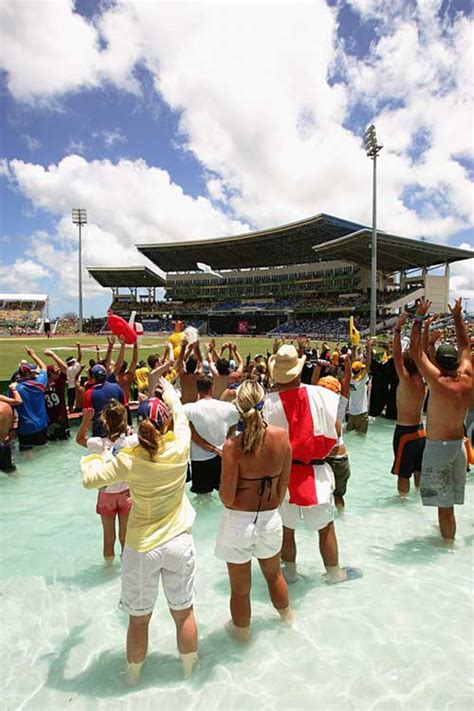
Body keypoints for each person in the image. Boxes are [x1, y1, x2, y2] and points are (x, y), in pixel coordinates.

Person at [81, 378, 198, 684]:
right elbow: (182, 417)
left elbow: (90, 480)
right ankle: (189, 674)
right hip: (179, 541)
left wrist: (97, 456)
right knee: (183, 613)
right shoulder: (179, 446)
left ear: (139, 423)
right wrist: (171, 393)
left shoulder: (129, 460)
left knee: (139, 619)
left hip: (142, 547)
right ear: (166, 423)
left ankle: (133, 679)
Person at [264, 345, 361, 584]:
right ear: (298, 371)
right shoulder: (323, 395)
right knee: (325, 528)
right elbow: (337, 431)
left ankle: (290, 574)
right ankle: (334, 573)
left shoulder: (268, 403)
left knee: (287, 530)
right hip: (316, 472)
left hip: (283, 474)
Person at [217, 380, 292, 640]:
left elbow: (226, 498)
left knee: (240, 590)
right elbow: (283, 485)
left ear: (238, 407)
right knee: (274, 575)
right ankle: (287, 622)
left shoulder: (231, 447)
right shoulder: (282, 437)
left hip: (239, 521)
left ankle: (243, 637)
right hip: (271, 517)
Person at [410, 297, 472, 540]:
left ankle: (447, 545)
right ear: (457, 362)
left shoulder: (437, 382)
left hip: (438, 448)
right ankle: (449, 538)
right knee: (450, 505)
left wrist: (419, 317)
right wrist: (457, 316)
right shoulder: (467, 375)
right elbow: (465, 345)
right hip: (460, 448)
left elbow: (415, 351)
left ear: (438, 363)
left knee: (444, 508)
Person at [77, 401, 134, 565]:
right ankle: (126, 568)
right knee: (125, 537)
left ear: (104, 422)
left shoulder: (97, 443)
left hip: (106, 495)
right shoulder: (130, 442)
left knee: (109, 538)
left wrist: (85, 420)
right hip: (126, 493)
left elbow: (80, 439)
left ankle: (108, 569)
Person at [183, 375, 240, 495]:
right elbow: (239, 420)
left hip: (200, 460)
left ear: (198, 390)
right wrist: (229, 435)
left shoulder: (189, 409)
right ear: (212, 388)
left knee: (203, 498)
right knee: (223, 493)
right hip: (222, 456)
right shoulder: (228, 408)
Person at [391, 312, 426, 495]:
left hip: (405, 432)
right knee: (419, 472)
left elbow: (396, 354)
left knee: (403, 476)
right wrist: (422, 326)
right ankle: (418, 506)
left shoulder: (405, 380)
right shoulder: (424, 379)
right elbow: (422, 352)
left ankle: (402, 507)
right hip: (421, 431)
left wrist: (397, 328)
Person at [317, 355, 351, 507]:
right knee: (338, 497)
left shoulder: (316, 405)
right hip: (341, 458)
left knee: (322, 500)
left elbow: (312, 385)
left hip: (323, 458)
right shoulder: (340, 404)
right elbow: (347, 382)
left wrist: (318, 367)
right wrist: (348, 363)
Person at [14, 348, 49, 451]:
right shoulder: (40, 382)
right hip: (42, 425)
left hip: (25, 428)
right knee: (42, 453)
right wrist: (32, 354)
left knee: (27, 456)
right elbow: (44, 367)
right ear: (27, 373)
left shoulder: (15, 388)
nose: (36, 373)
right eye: (34, 372)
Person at [83, 364, 125, 437]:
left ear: (93, 377)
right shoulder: (117, 387)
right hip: (118, 430)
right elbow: (124, 409)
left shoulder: (88, 393)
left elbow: (87, 417)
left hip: (99, 432)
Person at [347, 340, 372, 435]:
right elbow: (368, 364)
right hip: (361, 413)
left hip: (351, 413)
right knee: (361, 437)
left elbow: (352, 364)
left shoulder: (349, 378)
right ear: (360, 370)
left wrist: (353, 348)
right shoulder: (361, 380)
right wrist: (369, 347)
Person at [44, 349, 70, 441]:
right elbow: (65, 369)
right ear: (51, 374)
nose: (59, 374)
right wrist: (52, 355)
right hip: (60, 417)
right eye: (57, 372)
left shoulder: (41, 385)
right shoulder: (58, 383)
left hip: (49, 419)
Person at [111, 337, 138, 425]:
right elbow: (134, 360)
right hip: (126, 405)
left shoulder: (115, 378)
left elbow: (116, 364)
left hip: (116, 406)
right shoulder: (128, 377)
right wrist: (135, 345)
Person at [0, 385, 22, 473]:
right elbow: (18, 401)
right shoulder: (6, 406)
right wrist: (14, 389)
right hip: (5, 444)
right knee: (11, 471)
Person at [176, 338, 203, 404]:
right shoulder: (198, 375)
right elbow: (201, 361)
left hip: (184, 403)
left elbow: (181, 361)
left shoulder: (183, 376)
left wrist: (184, 346)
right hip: (195, 403)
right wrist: (197, 347)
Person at [66, 343, 83, 412]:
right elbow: (80, 356)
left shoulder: (68, 369)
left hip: (70, 386)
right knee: (79, 403)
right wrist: (79, 346)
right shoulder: (75, 367)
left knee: (70, 403)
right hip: (76, 386)